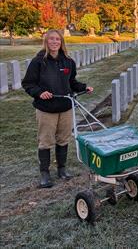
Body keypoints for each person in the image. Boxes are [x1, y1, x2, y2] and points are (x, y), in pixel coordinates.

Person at [22, 29, 93, 188]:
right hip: (46, 109)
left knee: (63, 139)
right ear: (46, 41)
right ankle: (45, 174)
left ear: (61, 42)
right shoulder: (38, 62)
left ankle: (62, 169)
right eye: (51, 39)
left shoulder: (68, 61)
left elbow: (71, 82)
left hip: (65, 107)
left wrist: (84, 87)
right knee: (45, 141)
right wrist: (40, 93)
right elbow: (28, 84)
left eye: (58, 40)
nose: (55, 42)